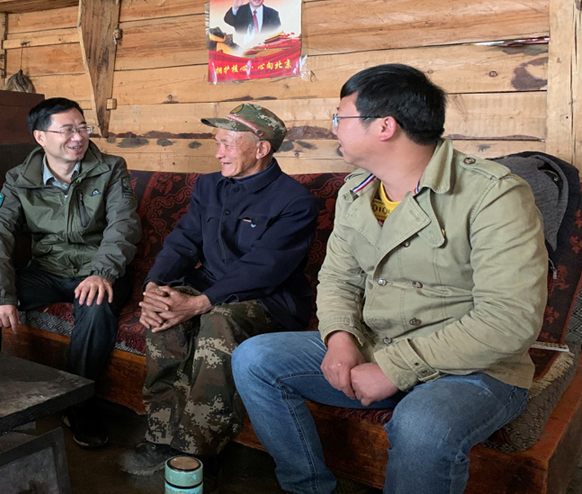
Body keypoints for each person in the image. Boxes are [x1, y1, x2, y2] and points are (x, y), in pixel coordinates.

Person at [232, 64, 548, 494]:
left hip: (472, 369)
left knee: (423, 425)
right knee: (254, 358)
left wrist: (394, 367)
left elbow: (508, 320)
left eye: (340, 117)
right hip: (376, 345)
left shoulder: (493, 194)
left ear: (385, 126)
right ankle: (307, 487)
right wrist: (340, 338)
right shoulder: (357, 191)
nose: (333, 128)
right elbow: (338, 278)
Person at [120, 103, 318, 487]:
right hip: (208, 285)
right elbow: (183, 241)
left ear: (261, 148)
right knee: (163, 314)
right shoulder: (209, 186)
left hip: (267, 298)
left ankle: (201, 449)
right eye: (217, 143)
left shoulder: (295, 201)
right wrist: (154, 287)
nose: (218, 153)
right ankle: (161, 434)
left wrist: (199, 303)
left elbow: (264, 268)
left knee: (218, 324)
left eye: (227, 143)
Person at [0, 97, 141, 449]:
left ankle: (79, 405)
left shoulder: (110, 168)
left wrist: (103, 272)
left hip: (97, 271)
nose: (78, 137)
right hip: (48, 270)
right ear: (40, 137)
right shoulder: (18, 179)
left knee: (96, 305)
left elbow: (123, 226)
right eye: (67, 130)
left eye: (83, 127)